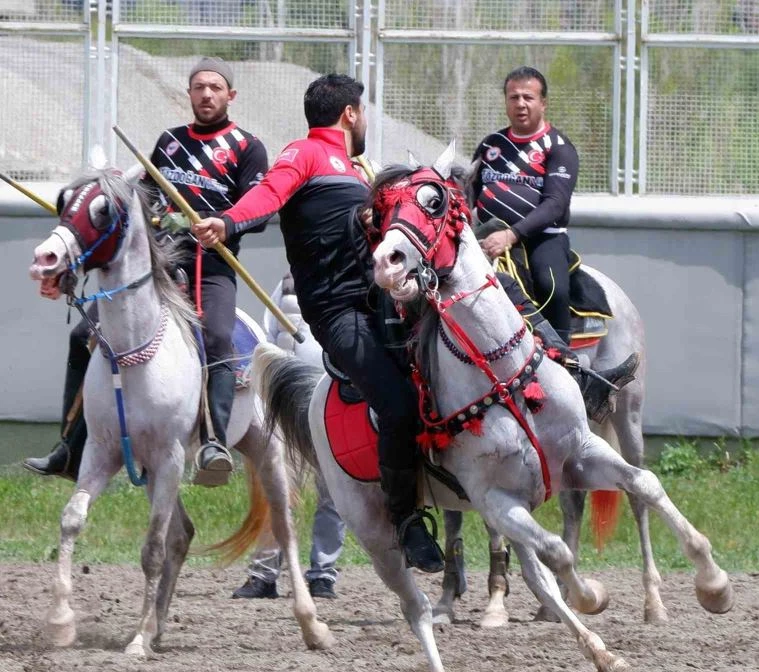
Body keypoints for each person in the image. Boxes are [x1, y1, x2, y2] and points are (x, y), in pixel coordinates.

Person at [192, 73, 444, 574]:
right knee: (396, 403)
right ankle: (406, 520)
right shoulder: (306, 153)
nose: (366, 119)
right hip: (338, 314)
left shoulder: (358, 170)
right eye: (364, 111)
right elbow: (268, 193)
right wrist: (228, 221)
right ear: (350, 114)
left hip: (385, 303)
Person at [24, 56, 268, 486]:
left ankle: (212, 442)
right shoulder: (170, 142)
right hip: (156, 268)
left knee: (216, 337)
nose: (206, 94)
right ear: (189, 94)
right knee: (84, 335)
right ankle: (70, 446)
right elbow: (144, 199)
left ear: (230, 95)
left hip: (211, 267)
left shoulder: (248, 147)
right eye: (198, 87)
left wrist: (220, 222)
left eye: (215, 87)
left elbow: (257, 211)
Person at [471, 65, 639, 422]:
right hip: (486, 238)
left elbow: (555, 205)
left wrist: (512, 234)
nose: (520, 104)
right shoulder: (490, 146)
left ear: (543, 102)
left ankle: (570, 372)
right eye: (513, 97)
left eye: (528, 97)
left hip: (540, 238)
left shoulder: (559, 148)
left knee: (550, 287)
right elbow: (469, 193)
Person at [233, 273, 346, 600]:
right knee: (275, 485)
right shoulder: (284, 285)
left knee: (332, 491)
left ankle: (323, 574)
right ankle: (264, 574)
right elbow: (267, 339)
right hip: (283, 404)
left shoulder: (350, 278)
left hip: (331, 400)